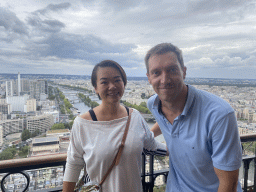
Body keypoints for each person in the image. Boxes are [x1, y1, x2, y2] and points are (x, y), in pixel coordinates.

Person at [145, 43, 242, 192]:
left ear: (184, 72)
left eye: (172, 70)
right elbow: (164, 120)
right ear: (149, 78)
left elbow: (229, 184)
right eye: (156, 72)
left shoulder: (219, 115)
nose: (164, 79)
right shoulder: (154, 104)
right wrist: (147, 136)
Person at [63, 60, 166, 192]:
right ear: (95, 88)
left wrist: (180, 150)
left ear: (124, 84)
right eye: (104, 82)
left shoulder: (135, 117)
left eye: (117, 80)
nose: (112, 86)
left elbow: (151, 145)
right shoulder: (82, 124)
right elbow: (73, 164)